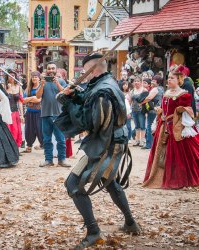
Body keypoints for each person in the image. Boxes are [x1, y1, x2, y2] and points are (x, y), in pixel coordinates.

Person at [55, 53, 139, 249]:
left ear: (93, 70)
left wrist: (68, 103)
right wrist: (75, 95)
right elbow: (89, 98)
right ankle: (130, 223)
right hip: (111, 140)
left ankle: (93, 232)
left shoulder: (103, 91)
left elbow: (89, 122)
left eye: (84, 72)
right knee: (110, 181)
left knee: (73, 184)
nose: (83, 75)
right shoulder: (106, 82)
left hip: (106, 144)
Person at [143, 70, 199, 189]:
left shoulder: (184, 94)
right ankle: (162, 177)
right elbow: (164, 108)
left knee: (181, 154)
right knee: (162, 153)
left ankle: (180, 179)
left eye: (172, 78)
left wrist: (180, 110)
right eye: (168, 78)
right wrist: (160, 112)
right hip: (164, 126)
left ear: (179, 80)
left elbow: (188, 110)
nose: (169, 80)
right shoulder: (167, 93)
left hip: (177, 126)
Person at [36, 62, 71, 168]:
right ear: (46, 70)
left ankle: (62, 160)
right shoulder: (42, 82)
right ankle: (48, 160)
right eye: (49, 69)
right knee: (46, 139)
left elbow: (65, 93)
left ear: (56, 70)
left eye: (53, 68)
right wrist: (42, 85)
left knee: (60, 139)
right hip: (45, 114)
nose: (51, 70)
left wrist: (57, 83)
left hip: (59, 115)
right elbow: (38, 96)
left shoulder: (61, 81)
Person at [140, 75, 164, 149]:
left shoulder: (155, 89)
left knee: (149, 126)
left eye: (154, 81)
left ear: (157, 82)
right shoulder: (161, 89)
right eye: (152, 80)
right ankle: (154, 143)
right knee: (155, 127)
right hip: (158, 109)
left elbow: (149, 98)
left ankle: (149, 144)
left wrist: (141, 102)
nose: (152, 82)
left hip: (152, 110)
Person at [22, 71, 43, 153]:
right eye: (33, 77)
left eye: (36, 77)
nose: (34, 78)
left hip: (39, 112)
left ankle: (44, 145)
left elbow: (39, 99)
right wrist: (33, 98)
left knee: (40, 129)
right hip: (29, 112)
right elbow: (23, 100)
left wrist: (29, 99)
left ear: (39, 78)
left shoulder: (41, 88)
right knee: (28, 130)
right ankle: (29, 146)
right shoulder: (28, 88)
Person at [4, 70, 24, 148]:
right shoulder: (4, 86)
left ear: (15, 77)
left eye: (13, 75)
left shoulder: (19, 87)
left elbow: (20, 102)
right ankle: (9, 148)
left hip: (15, 112)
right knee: (8, 130)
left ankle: (15, 149)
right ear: (7, 77)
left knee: (16, 130)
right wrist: (8, 89)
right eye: (9, 75)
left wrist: (22, 115)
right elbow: (3, 99)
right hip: (7, 112)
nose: (11, 77)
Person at [131, 76, 147, 147]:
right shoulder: (132, 90)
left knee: (142, 125)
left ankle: (142, 141)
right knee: (137, 126)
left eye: (138, 81)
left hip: (141, 110)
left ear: (141, 82)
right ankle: (137, 140)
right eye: (135, 81)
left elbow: (147, 100)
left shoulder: (144, 90)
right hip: (134, 110)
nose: (136, 82)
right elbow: (130, 100)